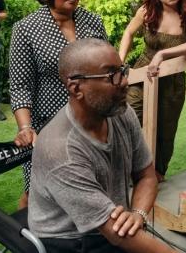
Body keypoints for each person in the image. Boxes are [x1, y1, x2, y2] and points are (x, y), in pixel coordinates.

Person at [29, 38, 176, 253]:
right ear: (76, 87)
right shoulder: (62, 151)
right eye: (112, 76)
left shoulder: (120, 112)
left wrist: (138, 215)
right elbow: (117, 235)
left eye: (122, 70)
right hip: (70, 241)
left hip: (112, 226)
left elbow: (146, 175)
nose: (125, 81)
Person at [9, 0, 108, 208]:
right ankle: (31, 243)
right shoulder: (27, 29)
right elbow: (20, 86)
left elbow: (107, 68)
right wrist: (25, 128)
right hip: (50, 129)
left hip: (92, 123)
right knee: (39, 194)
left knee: (90, 189)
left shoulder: (93, 22)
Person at [119, 0, 186, 182]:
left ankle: (156, 176)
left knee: (165, 133)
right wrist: (119, 64)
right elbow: (129, 33)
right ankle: (128, 174)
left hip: (172, 81)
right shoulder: (147, 11)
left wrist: (163, 55)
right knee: (128, 124)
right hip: (142, 76)